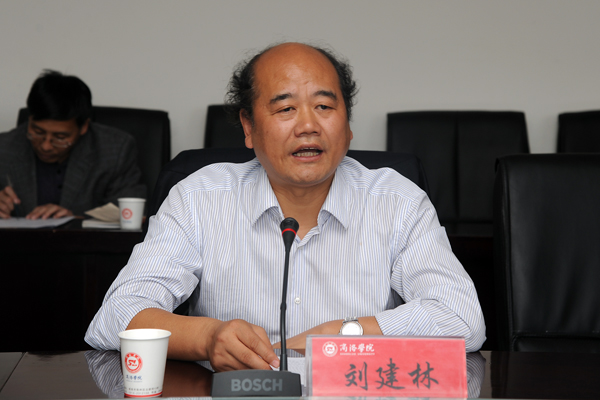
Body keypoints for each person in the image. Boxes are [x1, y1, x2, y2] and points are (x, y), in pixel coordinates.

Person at [86, 42, 485, 371]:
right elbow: (117, 315)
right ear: (248, 127)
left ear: (347, 125)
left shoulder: (398, 202)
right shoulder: (198, 198)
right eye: (285, 109)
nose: (308, 125)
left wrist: (343, 335)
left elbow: (462, 319)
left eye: (324, 107)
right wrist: (207, 338)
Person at [0, 70, 146, 219]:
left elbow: (130, 214)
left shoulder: (116, 150)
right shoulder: (4, 147)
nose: (46, 146)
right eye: (38, 132)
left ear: (84, 127)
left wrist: (75, 220)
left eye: (60, 137)